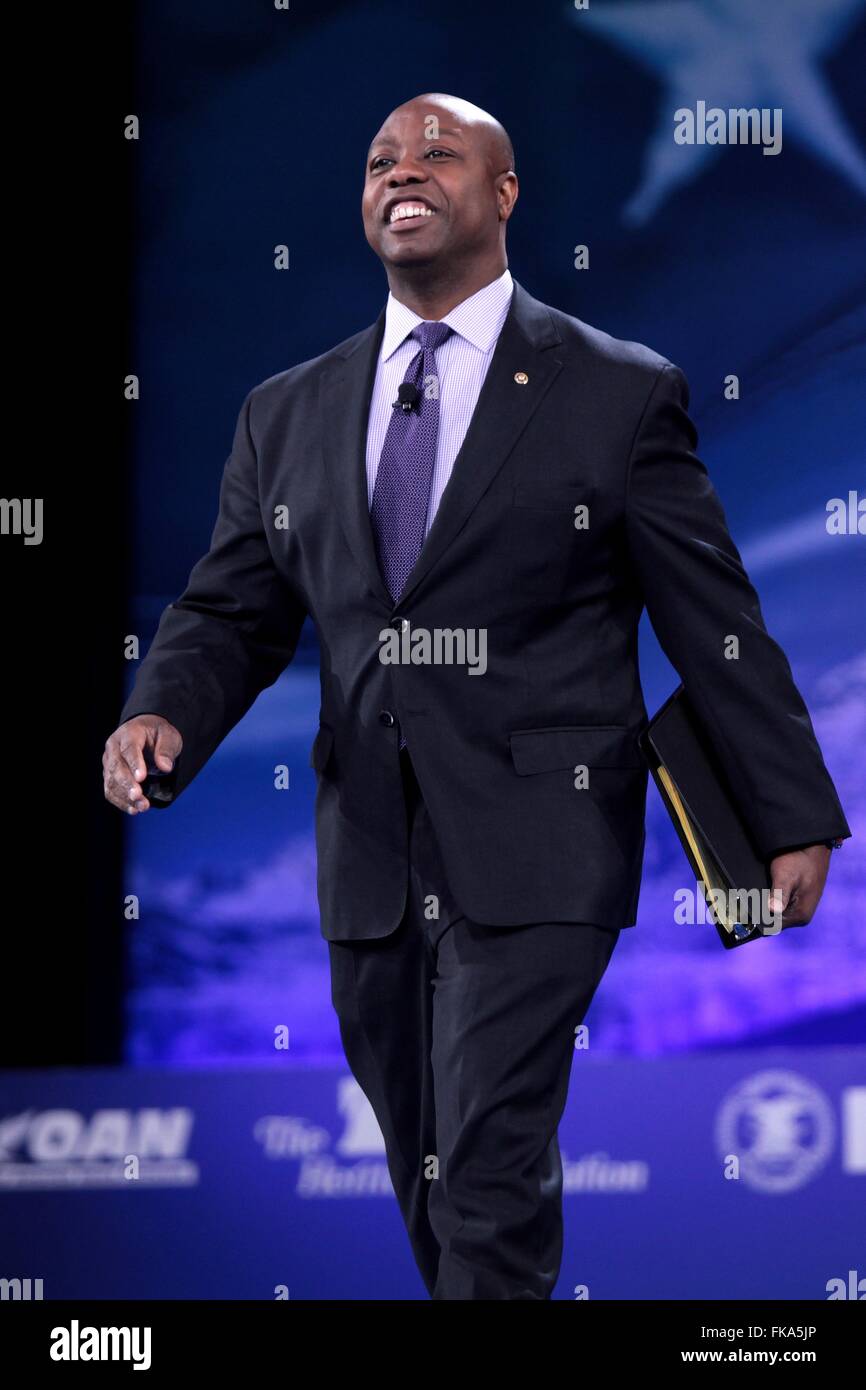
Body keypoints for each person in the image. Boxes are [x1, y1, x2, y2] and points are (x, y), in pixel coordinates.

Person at [103, 93, 850, 1300]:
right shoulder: (284, 411)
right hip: (370, 860)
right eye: (378, 159)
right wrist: (163, 711)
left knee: (490, 1166)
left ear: (503, 195)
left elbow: (712, 623)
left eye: (436, 154)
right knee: (433, 1171)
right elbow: (233, 609)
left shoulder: (614, 390)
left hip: (542, 842)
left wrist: (786, 813)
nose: (401, 172)